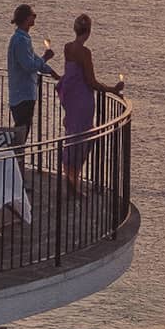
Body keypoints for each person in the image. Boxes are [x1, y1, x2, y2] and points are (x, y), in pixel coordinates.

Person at [57, 13, 125, 196]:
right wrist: (112, 89)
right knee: (84, 138)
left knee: (72, 137)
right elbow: (91, 81)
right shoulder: (84, 53)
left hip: (71, 100)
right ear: (88, 31)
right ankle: (74, 181)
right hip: (83, 100)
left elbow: (71, 74)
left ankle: (71, 179)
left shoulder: (67, 48)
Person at [7, 4, 57, 154]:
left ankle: (16, 163)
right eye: (32, 15)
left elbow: (33, 59)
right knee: (21, 132)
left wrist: (50, 71)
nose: (35, 17)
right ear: (26, 18)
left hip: (22, 93)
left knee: (22, 130)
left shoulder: (23, 38)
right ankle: (15, 163)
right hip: (22, 94)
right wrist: (45, 58)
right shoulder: (20, 40)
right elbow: (29, 65)